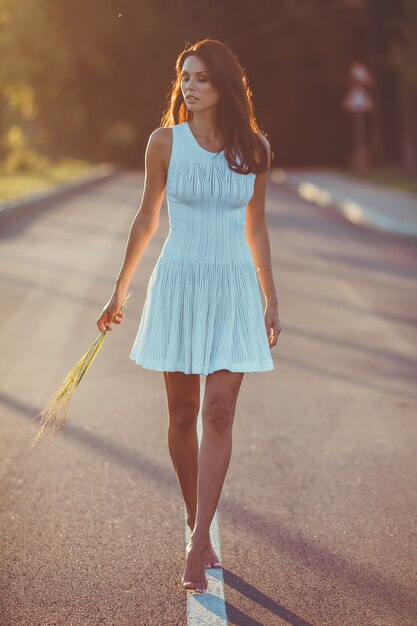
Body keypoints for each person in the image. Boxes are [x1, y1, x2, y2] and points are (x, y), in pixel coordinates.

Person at [96, 38, 281, 594]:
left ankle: (200, 539)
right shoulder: (164, 143)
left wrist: (271, 297)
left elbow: (256, 228)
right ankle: (194, 519)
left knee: (219, 412)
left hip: (232, 289)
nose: (189, 86)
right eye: (184, 76)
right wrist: (119, 290)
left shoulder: (255, 150)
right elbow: (147, 217)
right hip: (178, 283)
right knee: (182, 415)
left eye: (200, 77)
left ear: (224, 83)